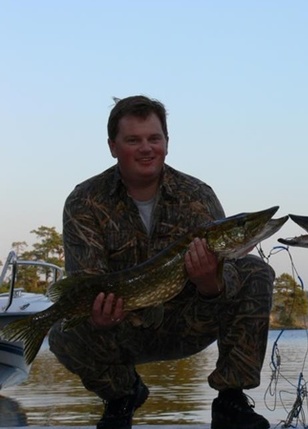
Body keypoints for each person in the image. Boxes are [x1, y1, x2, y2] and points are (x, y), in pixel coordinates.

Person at [48, 95, 275, 429]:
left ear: (167, 143)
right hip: (120, 329)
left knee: (255, 271)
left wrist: (210, 284)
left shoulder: (197, 195)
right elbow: (86, 281)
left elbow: (228, 278)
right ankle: (122, 395)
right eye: (133, 140)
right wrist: (100, 317)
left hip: (188, 323)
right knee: (61, 334)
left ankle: (231, 399)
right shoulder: (84, 201)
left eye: (154, 138)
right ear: (113, 146)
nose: (146, 148)